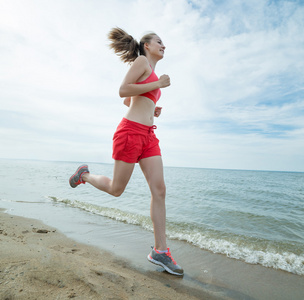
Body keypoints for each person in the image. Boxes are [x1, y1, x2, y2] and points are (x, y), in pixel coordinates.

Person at [69, 27, 183, 276]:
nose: (164, 45)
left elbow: (130, 99)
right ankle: (84, 175)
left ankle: (161, 251)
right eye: (159, 42)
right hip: (130, 132)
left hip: (148, 135)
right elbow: (123, 90)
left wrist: (152, 108)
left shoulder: (150, 72)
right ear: (147, 46)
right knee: (116, 189)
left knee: (159, 189)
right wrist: (157, 83)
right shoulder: (142, 62)